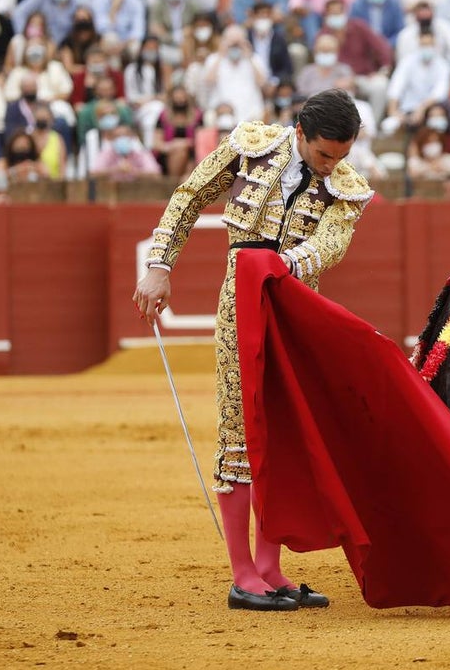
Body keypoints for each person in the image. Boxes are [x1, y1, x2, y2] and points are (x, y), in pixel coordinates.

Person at [132, 89, 371, 612]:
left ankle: (268, 566)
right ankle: (242, 572)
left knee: (282, 433)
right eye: (323, 154)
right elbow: (190, 195)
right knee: (241, 427)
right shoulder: (251, 145)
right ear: (300, 133)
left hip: (296, 306)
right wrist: (159, 265)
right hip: (240, 301)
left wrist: (285, 266)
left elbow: (331, 243)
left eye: (341, 156)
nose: (331, 167)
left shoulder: (348, 186)